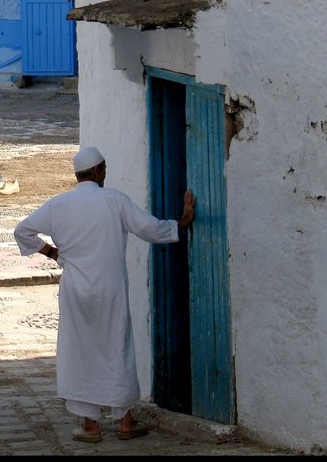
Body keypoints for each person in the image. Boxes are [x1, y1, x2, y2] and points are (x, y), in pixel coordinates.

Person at [13, 146, 195, 443]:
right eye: (104, 169)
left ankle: (90, 425)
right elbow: (150, 229)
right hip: (110, 288)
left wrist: (53, 253)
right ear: (98, 172)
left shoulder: (59, 205)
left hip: (75, 289)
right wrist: (182, 222)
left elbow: (23, 231)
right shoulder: (114, 201)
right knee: (116, 347)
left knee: (81, 350)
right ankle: (124, 422)